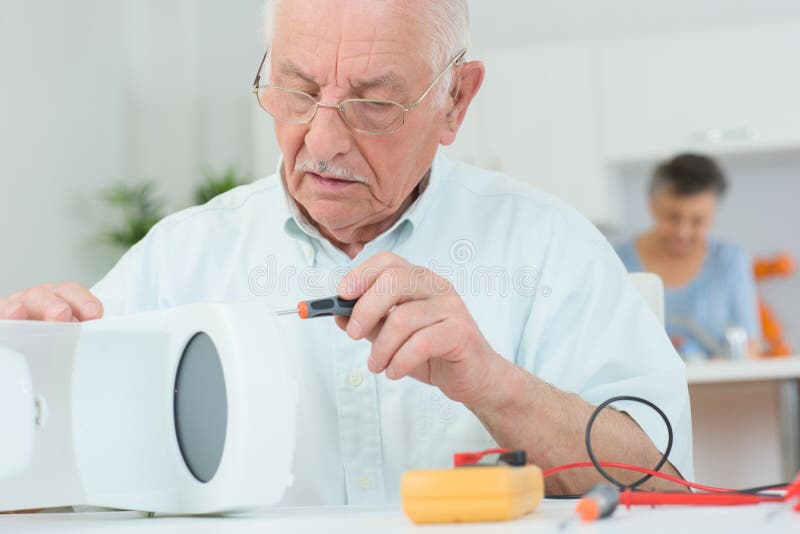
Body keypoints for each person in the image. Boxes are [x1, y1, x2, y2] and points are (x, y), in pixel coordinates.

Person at [0, 0, 692, 504]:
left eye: (373, 104)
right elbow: (46, 486)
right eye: (297, 91)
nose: (322, 142)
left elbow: (660, 480)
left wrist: (491, 382)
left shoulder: (545, 248)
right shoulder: (181, 260)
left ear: (455, 99)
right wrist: (28, 383)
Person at [616, 153, 761, 359]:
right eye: (673, 217)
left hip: (718, 387)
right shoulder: (616, 260)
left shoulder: (729, 260)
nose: (683, 232)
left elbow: (751, 344)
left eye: (698, 220)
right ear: (653, 206)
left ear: (714, 214)